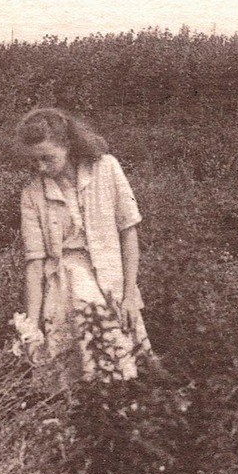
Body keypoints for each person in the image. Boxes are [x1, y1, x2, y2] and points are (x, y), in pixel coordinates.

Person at [15, 108, 150, 389]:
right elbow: (35, 264)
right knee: (79, 377)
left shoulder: (107, 168)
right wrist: (31, 328)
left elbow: (129, 231)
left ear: (67, 145)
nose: (40, 167)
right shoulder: (32, 194)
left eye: (47, 158)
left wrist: (129, 297)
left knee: (124, 367)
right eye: (33, 160)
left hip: (112, 277)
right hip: (67, 287)